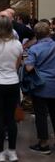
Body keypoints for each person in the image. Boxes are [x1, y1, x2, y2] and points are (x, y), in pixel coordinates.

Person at [0, 15, 23, 162]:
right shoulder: (17, 44)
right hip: (12, 82)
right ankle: (12, 152)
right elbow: (17, 64)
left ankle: (0, 153)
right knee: (11, 118)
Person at [24, 22, 55, 154]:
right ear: (49, 32)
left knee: (41, 115)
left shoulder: (35, 49)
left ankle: (43, 144)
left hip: (41, 85)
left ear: (36, 34)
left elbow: (29, 68)